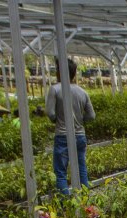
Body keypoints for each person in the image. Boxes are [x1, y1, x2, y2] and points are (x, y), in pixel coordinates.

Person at [45, 57, 95, 195]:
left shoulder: (55, 89)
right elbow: (91, 116)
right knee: (81, 169)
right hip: (80, 135)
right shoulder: (82, 92)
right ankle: (86, 202)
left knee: (60, 172)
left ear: (60, 72)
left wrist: (57, 119)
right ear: (73, 73)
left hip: (62, 135)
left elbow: (50, 113)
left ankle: (67, 205)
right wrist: (79, 120)